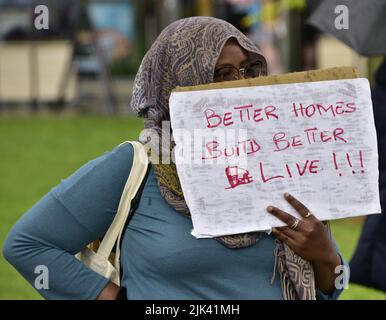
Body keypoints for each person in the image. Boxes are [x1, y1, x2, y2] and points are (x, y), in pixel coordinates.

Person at [3, 17, 346, 300]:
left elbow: (334, 287)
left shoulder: (281, 160)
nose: (241, 85)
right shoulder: (138, 167)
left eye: (247, 70)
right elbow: (29, 244)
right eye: (222, 75)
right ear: (179, 81)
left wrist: (325, 255)